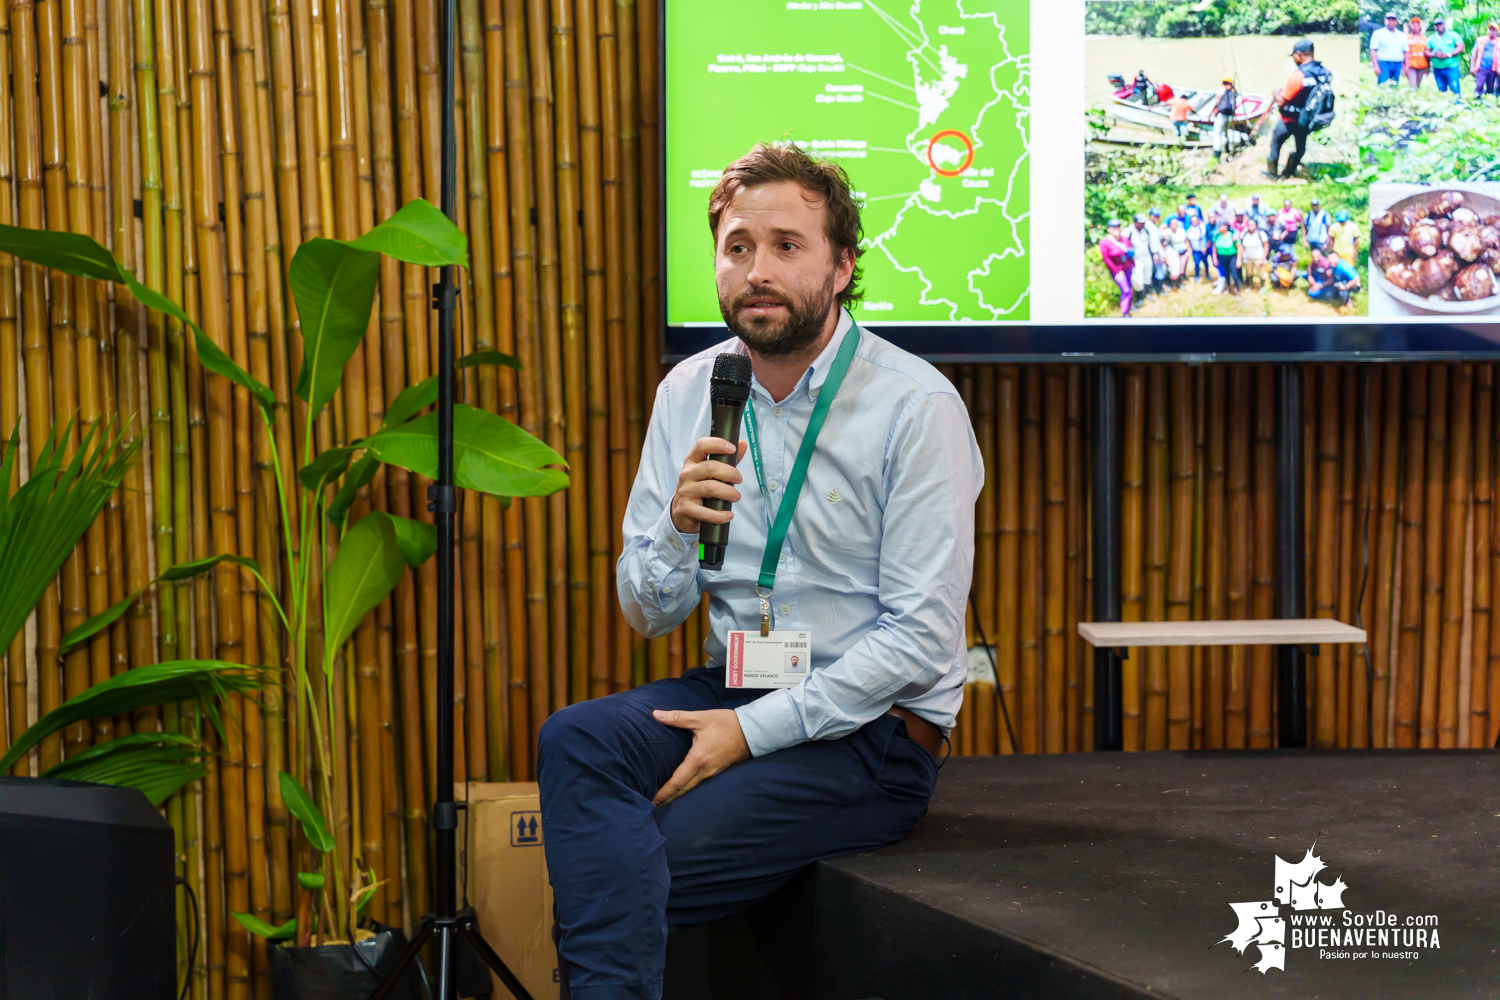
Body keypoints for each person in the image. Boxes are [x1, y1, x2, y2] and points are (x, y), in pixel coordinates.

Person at [537, 141, 980, 999]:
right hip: (734, 685)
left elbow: (923, 641)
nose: (758, 270)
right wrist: (673, 529)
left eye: (787, 245)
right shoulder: (691, 390)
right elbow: (646, 610)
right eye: (739, 247)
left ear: (843, 266)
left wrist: (749, 734)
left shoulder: (915, 406)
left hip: (874, 730)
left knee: (636, 865)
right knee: (576, 737)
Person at [1264, 39, 1330, 179]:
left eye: (1293, 56)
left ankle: (1272, 174)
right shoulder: (1323, 73)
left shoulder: (1298, 75)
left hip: (1289, 120)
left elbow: (1282, 101)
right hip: (1307, 121)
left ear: (1299, 54)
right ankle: (1289, 171)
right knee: (1300, 148)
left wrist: (1275, 93)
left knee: (1275, 143)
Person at [1099, 220, 1135, 317]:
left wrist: (1133, 264)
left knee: (1129, 287)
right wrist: (1116, 271)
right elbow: (1106, 259)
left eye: (1118, 227)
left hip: (1128, 267)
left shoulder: (1124, 239)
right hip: (1118, 271)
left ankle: (1130, 305)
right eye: (1114, 228)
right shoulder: (1104, 242)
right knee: (1126, 290)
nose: (1117, 230)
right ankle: (1125, 312)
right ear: (1108, 230)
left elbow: (1130, 252)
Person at [1128, 213, 1161, 301]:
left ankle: (1147, 293)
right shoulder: (1129, 231)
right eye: (1141, 223)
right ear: (1135, 223)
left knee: (1148, 275)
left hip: (1146, 256)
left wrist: (1155, 253)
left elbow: (1152, 242)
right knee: (1138, 278)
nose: (1143, 224)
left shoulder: (1146, 230)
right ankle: (1139, 298)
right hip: (1136, 259)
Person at [1429, 16, 1465, 95]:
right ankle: (1444, 105)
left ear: (1444, 25)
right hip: (1437, 69)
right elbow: (1426, 51)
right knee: (1441, 89)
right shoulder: (1431, 38)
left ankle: (1458, 105)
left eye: (1441, 24)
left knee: (1454, 88)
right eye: (1437, 25)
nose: (1439, 26)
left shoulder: (1453, 35)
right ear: (1435, 27)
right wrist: (1434, 54)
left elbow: (1461, 47)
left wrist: (1448, 54)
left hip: (1451, 67)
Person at [1370, 11, 1407, 84]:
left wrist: (1406, 65)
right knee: (1383, 85)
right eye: (1388, 20)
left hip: (1397, 64)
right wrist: (1375, 66)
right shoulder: (1378, 34)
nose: (1391, 22)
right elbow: (1373, 51)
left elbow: (1405, 51)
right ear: (1384, 21)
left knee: (1394, 85)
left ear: (1396, 22)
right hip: (1383, 64)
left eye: (1393, 20)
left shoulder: (1402, 35)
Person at [1211, 77, 1237, 158]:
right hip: (1230, 115)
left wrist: (1211, 111)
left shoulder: (1222, 89)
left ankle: (1217, 153)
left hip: (1222, 114)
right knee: (1225, 133)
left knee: (1217, 133)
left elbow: (1218, 100)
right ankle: (1226, 149)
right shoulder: (1234, 91)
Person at [1213, 221, 1241, 296]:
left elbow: (1239, 248)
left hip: (1232, 257)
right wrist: (1214, 258)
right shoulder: (1217, 236)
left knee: (1234, 274)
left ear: (1226, 227)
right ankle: (1228, 287)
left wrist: (1238, 260)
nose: (1219, 228)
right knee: (1226, 274)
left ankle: (1238, 291)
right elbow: (1214, 248)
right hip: (1222, 257)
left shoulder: (1232, 236)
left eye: (1221, 226)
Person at [1472, 22, 1500, 97]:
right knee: (1479, 85)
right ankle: (1476, 101)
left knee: (1490, 88)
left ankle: (1488, 104)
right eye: (1490, 29)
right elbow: (1474, 53)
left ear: (1496, 32)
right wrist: (1472, 67)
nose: (1492, 31)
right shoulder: (1480, 40)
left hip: (1493, 69)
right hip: (1481, 68)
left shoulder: (1498, 41)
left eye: (1494, 30)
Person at [1163, 216, 1190, 289]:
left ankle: (1179, 283)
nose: (1174, 226)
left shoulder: (1181, 231)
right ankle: (1172, 284)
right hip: (1171, 253)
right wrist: (1165, 256)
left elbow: (1186, 241)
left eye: (1176, 224)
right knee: (1173, 270)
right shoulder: (1166, 232)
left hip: (1182, 252)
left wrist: (1189, 251)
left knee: (1181, 270)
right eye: (1172, 224)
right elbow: (1163, 245)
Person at [1241, 223, 1269, 289]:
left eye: (1252, 225)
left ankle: (1262, 287)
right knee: (1249, 272)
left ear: (1256, 225)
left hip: (1258, 257)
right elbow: (1242, 245)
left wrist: (1263, 258)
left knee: (1261, 273)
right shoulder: (1245, 234)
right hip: (1248, 258)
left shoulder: (1261, 234)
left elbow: (1266, 246)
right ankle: (1250, 286)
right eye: (1249, 225)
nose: (1251, 227)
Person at [1405, 16, 1430, 89]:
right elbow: (1404, 53)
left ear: (1420, 27)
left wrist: (1428, 67)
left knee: (1417, 85)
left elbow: (1427, 54)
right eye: (1413, 25)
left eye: (1417, 25)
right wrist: (1404, 66)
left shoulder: (1425, 39)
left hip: (1422, 65)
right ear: (1410, 27)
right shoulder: (1406, 38)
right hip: (1411, 65)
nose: (1416, 26)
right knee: (1412, 85)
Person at [1186, 214, 1210, 281]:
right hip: (1195, 250)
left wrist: (1205, 247)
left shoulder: (1202, 227)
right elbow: (1188, 240)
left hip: (1203, 249)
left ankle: (1207, 274)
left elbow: (1206, 238)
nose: (1194, 222)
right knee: (1196, 263)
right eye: (1192, 221)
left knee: (1205, 262)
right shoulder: (1189, 230)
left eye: (1195, 220)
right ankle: (1197, 276)